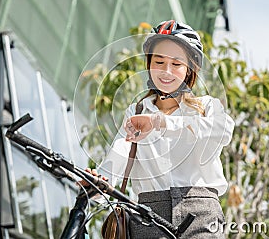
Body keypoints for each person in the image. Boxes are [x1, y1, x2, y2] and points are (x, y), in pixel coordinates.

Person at [86, 20, 235, 238]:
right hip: (147, 215)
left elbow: (223, 131)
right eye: (159, 61)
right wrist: (98, 184)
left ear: (189, 69)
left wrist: (161, 122)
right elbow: (121, 150)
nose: (166, 71)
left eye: (176, 64)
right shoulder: (136, 111)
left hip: (201, 212)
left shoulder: (207, 107)